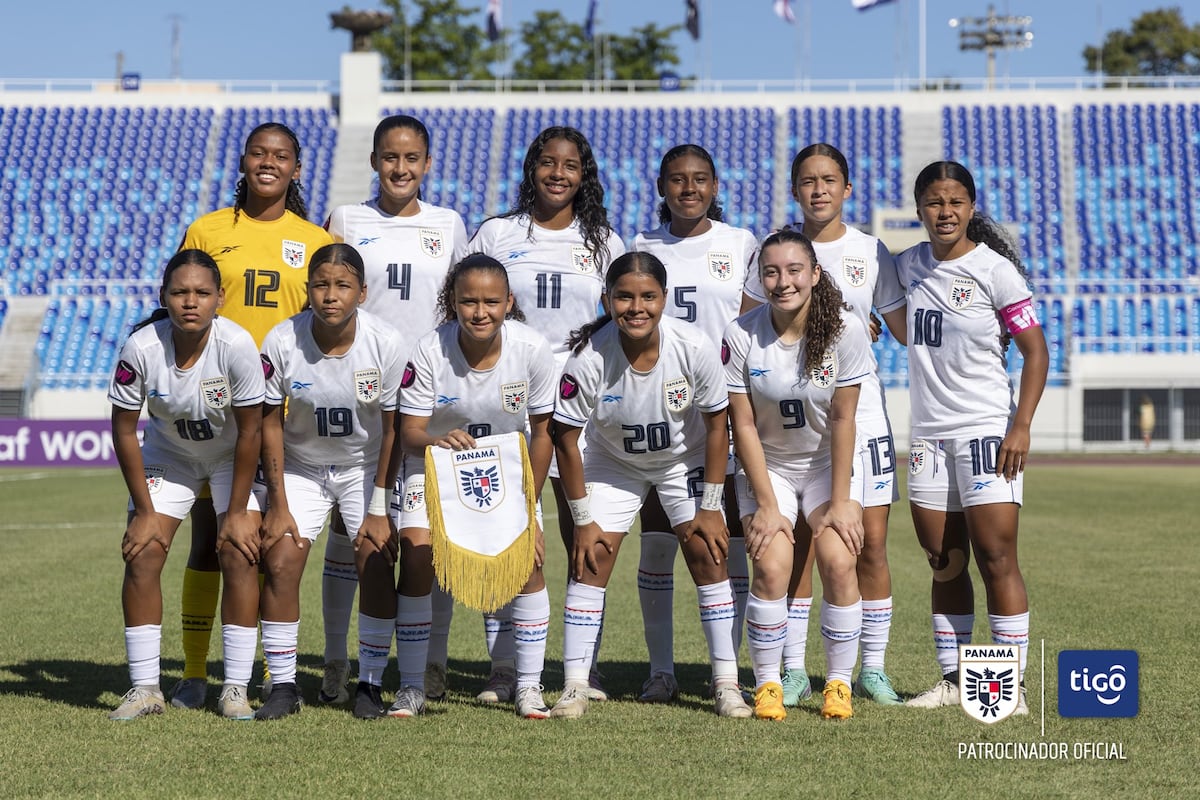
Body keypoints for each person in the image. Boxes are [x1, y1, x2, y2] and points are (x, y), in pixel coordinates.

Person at [172, 122, 333, 710]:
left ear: (296, 168)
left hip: (286, 413)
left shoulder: (315, 238)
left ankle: (270, 672)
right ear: (243, 161)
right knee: (208, 539)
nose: (269, 162)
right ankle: (193, 673)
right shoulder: (209, 229)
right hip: (219, 408)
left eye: (282, 155)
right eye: (259, 153)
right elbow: (181, 305)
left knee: (268, 544)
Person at [549, 252, 751, 720]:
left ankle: (726, 684)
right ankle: (576, 685)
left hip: (684, 461)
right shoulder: (589, 356)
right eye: (624, 296)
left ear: (664, 299)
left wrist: (710, 506)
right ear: (607, 299)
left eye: (647, 296)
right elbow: (563, 437)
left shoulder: (693, 347)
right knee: (591, 556)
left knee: (707, 550)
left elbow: (718, 426)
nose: (636, 307)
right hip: (614, 463)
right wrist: (583, 519)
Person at [464, 125, 626, 704]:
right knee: (508, 526)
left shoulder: (605, 241)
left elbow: (621, 319)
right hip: (510, 403)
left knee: (584, 530)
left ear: (585, 176)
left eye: (571, 166)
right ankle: (504, 667)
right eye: (548, 163)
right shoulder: (496, 232)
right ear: (532, 168)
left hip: (583, 404)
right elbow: (464, 302)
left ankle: (584, 666)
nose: (559, 174)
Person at [323, 114, 470, 703]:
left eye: (412, 159)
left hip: (432, 396)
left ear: (427, 164)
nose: (400, 168)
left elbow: (461, 305)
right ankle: (337, 657)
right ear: (375, 161)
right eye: (390, 157)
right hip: (363, 395)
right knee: (347, 533)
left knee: (430, 536)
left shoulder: (450, 224)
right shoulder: (346, 219)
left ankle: (430, 660)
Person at [898, 161, 1048, 714]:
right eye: (934, 202)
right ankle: (957, 681)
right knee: (944, 558)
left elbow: (1036, 352)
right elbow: (884, 311)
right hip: (929, 436)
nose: (945, 212)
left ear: (970, 206)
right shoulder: (906, 266)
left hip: (987, 430)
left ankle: (1011, 690)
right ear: (919, 209)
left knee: (996, 555)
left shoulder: (995, 271)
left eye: (955, 201)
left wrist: (1021, 426)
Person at [390, 254, 556, 719]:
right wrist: (438, 440)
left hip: (507, 473)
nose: (480, 312)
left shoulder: (532, 349)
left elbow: (543, 433)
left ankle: (528, 686)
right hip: (436, 465)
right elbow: (409, 434)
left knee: (528, 565)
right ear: (453, 303)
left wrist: (530, 505)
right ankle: (412, 686)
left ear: (509, 302)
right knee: (419, 555)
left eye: (490, 302)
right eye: (468, 302)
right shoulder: (428, 349)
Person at [629, 143, 762, 703]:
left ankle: (723, 672)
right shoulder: (640, 247)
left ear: (714, 186)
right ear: (661, 187)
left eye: (700, 179)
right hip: (660, 415)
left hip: (726, 412)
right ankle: (661, 671)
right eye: (677, 179)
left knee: (724, 546)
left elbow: (766, 313)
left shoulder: (740, 245)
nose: (689, 188)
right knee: (658, 544)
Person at [107, 249, 265, 721]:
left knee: (238, 551)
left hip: (228, 457)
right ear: (164, 297)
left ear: (219, 298)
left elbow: (253, 431)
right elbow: (122, 429)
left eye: (201, 293)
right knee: (144, 550)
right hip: (169, 457)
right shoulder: (141, 347)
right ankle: (145, 689)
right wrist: (144, 511)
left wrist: (236, 512)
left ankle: (235, 689)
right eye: (180, 292)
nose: (190, 302)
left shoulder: (237, 346)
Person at [779, 143, 908, 707]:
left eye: (829, 179)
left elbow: (905, 327)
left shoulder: (870, 251)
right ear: (794, 189)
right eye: (807, 180)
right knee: (801, 542)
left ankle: (871, 669)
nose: (819, 189)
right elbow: (752, 324)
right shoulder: (781, 251)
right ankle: (791, 668)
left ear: (847, 189)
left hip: (864, 413)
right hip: (796, 418)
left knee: (869, 544)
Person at [254, 243, 406, 720]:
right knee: (279, 558)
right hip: (302, 468)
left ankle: (371, 684)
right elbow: (268, 421)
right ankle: (283, 685)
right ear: (309, 290)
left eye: (342, 286)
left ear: (362, 292)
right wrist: (276, 501)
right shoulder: (281, 341)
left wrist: (380, 506)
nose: (330, 295)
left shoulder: (386, 342)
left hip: (364, 468)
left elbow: (395, 428)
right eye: (321, 284)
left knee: (376, 556)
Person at [723, 229, 870, 721]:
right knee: (769, 565)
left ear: (814, 275)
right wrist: (766, 503)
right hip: (770, 468)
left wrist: (843, 500)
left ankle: (838, 684)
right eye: (771, 272)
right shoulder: (740, 333)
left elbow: (847, 418)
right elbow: (741, 423)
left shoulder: (845, 331)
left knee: (839, 559)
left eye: (793, 270)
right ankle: (767, 684)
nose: (782, 281)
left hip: (831, 465)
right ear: (760, 278)